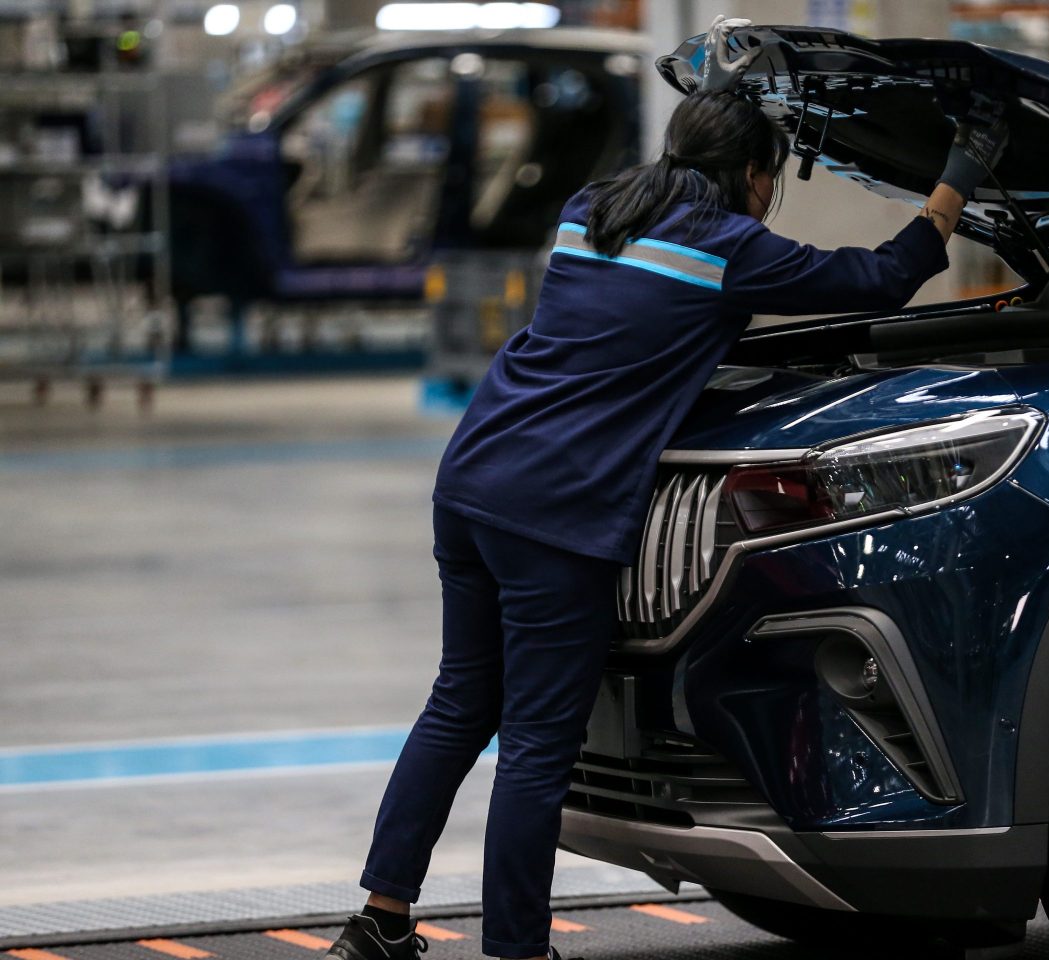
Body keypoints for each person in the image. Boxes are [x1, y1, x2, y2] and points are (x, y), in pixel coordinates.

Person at [322, 16, 1008, 960]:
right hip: (555, 512)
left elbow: (618, 336)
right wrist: (958, 179)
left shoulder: (588, 209)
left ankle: (381, 920)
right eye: (772, 178)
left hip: (474, 474)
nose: (771, 195)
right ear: (750, 175)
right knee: (533, 745)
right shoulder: (730, 247)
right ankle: (517, 950)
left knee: (458, 705)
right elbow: (881, 279)